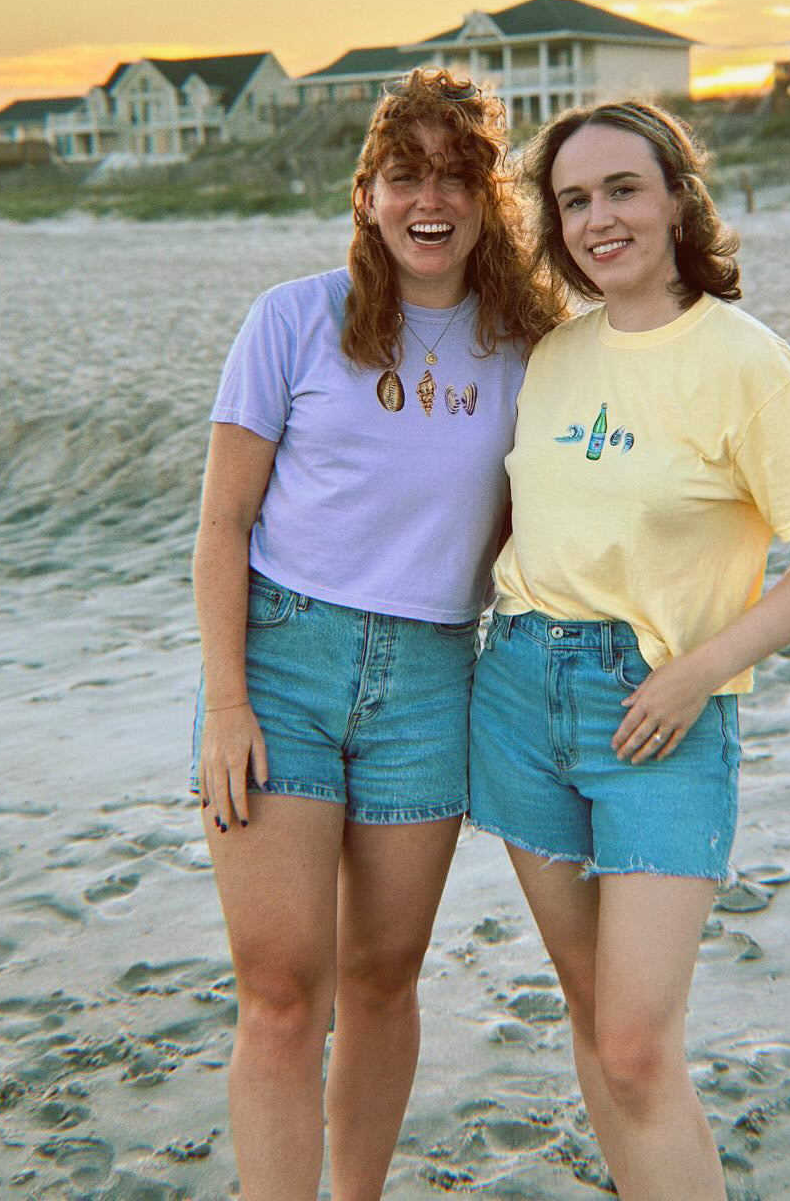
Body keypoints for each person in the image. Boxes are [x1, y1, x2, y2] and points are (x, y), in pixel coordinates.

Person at [469, 100, 790, 1201]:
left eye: (623, 190)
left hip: (660, 713)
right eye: (575, 201)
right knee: (598, 1021)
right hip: (516, 695)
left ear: (679, 199)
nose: (601, 219)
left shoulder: (746, 363)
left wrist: (696, 672)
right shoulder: (552, 355)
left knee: (639, 1042)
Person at [190, 67, 560, 1201]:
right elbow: (222, 523)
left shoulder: (527, 346)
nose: (428, 199)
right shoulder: (293, 318)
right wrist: (229, 708)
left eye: (456, 175)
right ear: (367, 195)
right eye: (405, 175)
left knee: (385, 976)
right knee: (286, 990)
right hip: (281, 669)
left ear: (488, 195)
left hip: (432, 682)